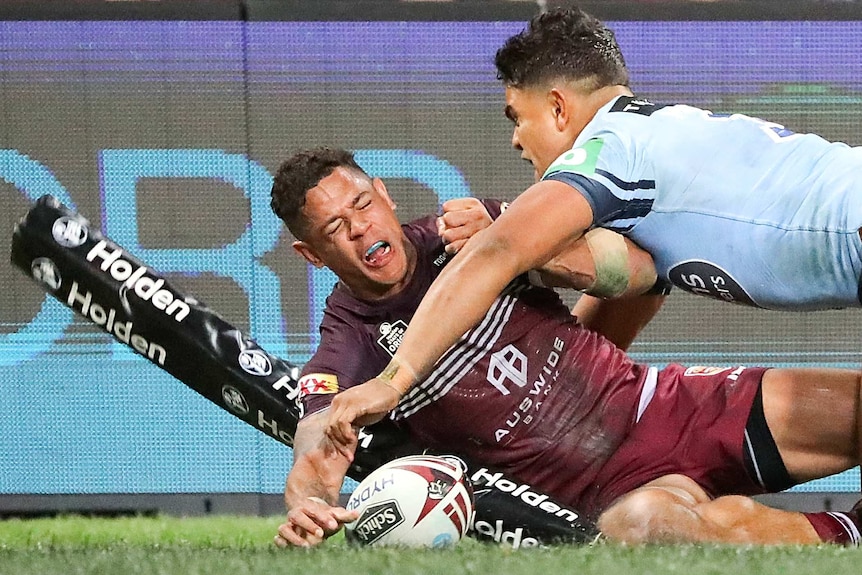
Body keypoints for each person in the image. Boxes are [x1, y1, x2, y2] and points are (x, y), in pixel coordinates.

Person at [271, 147, 861, 548]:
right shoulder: (346, 343)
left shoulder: (474, 231)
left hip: (665, 406)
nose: (359, 228)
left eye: (362, 205)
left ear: (383, 194)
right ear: (312, 256)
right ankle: (845, 533)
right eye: (333, 230)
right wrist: (308, 504)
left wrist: (534, 254)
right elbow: (318, 445)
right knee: (649, 530)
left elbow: (644, 273)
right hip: (610, 494)